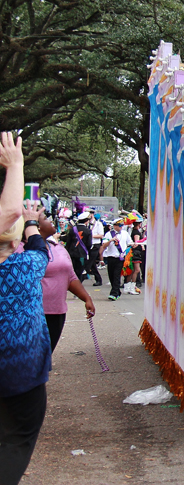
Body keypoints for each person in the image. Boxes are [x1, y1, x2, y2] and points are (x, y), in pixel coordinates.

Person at [0, 200, 50, 485]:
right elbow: (40, 247)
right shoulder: (27, 265)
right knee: (18, 439)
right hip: (21, 369)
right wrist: (31, 220)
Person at [33, 204, 95, 352]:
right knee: (33, 361)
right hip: (34, 314)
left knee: (45, 356)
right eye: (45, 218)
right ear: (36, 226)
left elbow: (70, 277)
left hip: (57, 313)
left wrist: (86, 298)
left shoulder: (57, 247)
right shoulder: (21, 249)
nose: (51, 220)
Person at [100, 218, 132, 301]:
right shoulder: (108, 234)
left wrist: (134, 244)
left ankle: (113, 293)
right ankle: (117, 291)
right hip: (111, 257)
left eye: (122, 225)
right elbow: (104, 246)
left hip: (120, 258)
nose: (121, 227)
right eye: (119, 225)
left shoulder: (125, 233)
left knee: (116, 275)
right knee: (111, 276)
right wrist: (110, 240)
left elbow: (130, 242)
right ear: (114, 226)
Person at [64, 212, 91, 282]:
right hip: (82, 254)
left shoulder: (72, 229)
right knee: (80, 271)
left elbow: (68, 242)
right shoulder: (88, 231)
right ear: (86, 221)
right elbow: (89, 244)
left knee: (73, 270)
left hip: (72, 253)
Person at [86, 210, 105, 287]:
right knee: (92, 263)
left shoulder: (98, 224)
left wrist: (91, 235)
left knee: (89, 262)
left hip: (95, 244)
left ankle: (82, 277)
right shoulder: (86, 224)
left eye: (90, 214)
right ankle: (98, 279)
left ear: (93, 215)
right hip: (88, 244)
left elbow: (101, 235)